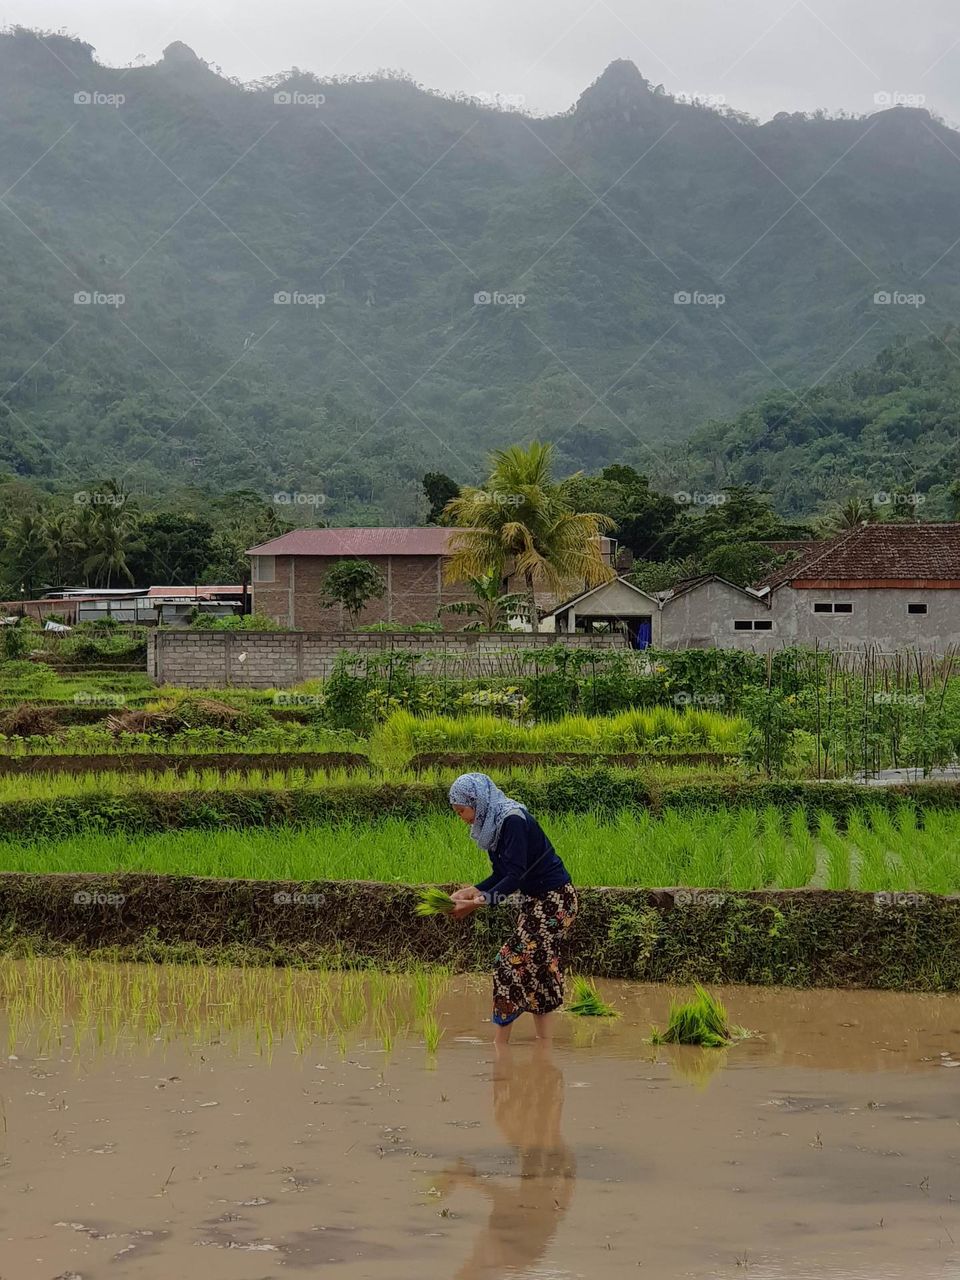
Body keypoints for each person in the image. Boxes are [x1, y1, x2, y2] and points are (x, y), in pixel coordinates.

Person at [447, 772, 578, 1046]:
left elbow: (515, 877)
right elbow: (501, 873)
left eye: (462, 810)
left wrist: (475, 904)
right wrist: (472, 890)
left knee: (508, 960)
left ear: (477, 801)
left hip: (555, 901)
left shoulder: (512, 820)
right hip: (536, 901)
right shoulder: (493, 825)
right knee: (540, 967)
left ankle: (500, 1046)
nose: (462, 817)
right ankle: (545, 1047)